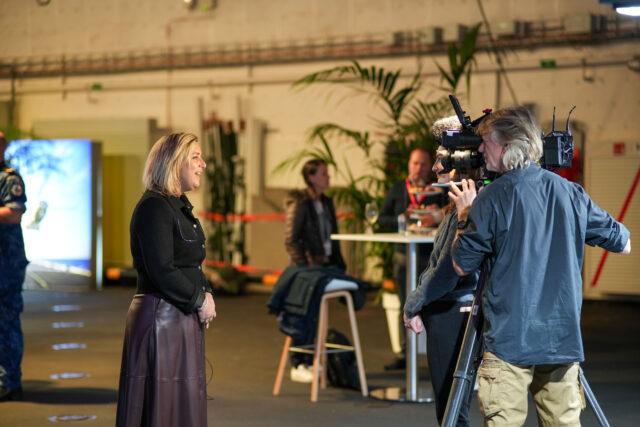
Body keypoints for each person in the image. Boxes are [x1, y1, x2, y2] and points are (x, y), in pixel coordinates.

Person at [450, 106, 631, 426]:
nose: (479, 149)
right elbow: (624, 242)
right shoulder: (571, 193)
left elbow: (462, 265)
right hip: (561, 343)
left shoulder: (491, 199)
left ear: (507, 146)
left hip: (509, 344)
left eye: (485, 142)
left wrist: (465, 216)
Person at [116, 132, 216, 427]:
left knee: (181, 403)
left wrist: (205, 294)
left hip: (178, 316)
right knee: (161, 408)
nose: (204, 164)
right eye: (196, 157)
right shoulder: (154, 207)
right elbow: (162, 269)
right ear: (175, 162)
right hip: (160, 320)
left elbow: (191, 263)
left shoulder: (178, 206)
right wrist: (199, 299)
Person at [403, 116, 478, 426]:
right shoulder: (459, 207)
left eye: (440, 159)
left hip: (453, 310)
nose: (435, 168)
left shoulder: (467, 209)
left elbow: (448, 270)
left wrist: (413, 303)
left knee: (451, 411)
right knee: (452, 408)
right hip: (455, 308)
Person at [378, 147, 444, 370]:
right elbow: (382, 220)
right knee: (405, 301)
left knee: (434, 304)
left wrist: (437, 215)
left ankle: (437, 354)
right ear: (409, 165)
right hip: (404, 255)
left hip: (431, 256)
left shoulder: (438, 189)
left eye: (424, 164)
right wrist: (402, 217)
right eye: (415, 163)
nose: (419, 168)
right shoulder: (399, 189)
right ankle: (406, 356)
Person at [283, 158, 345, 382]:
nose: (328, 177)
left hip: (326, 264)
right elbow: (291, 239)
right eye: (324, 174)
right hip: (309, 267)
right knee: (304, 314)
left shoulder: (327, 202)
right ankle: (300, 362)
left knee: (318, 313)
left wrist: (338, 262)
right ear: (311, 177)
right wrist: (304, 266)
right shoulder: (300, 202)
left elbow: (332, 237)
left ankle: (313, 360)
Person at [0, 132, 28, 402]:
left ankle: (10, 380)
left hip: (6, 265)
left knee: (6, 319)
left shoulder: (9, 178)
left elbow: (13, 213)